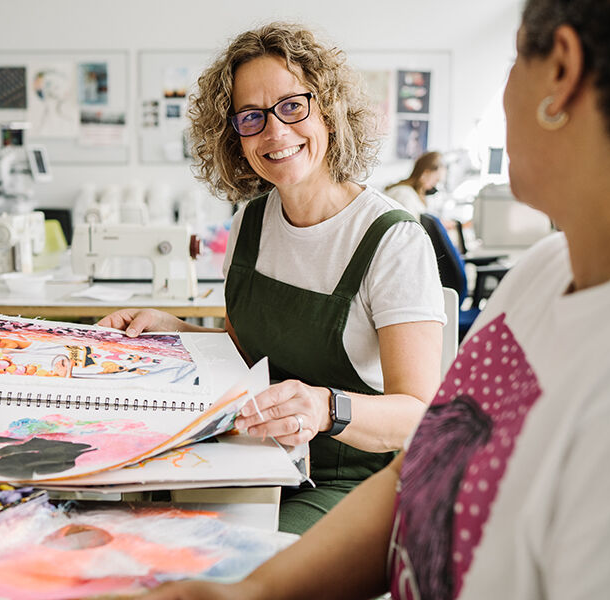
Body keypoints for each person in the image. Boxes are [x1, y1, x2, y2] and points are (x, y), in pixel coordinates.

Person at [142, 0, 610, 598]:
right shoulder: (546, 274)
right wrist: (252, 593)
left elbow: (409, 423)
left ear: (560, 69)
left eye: (511, 61)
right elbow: (424, 465)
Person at [98, 23, 446, 534]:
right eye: (252, 117)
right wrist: (172, 331)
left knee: (229, 570)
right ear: (234, 134)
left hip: (350, 481)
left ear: (327, 109)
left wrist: (327, 408)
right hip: (252, 457)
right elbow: (247, 359)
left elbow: (418, 414)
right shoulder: (251, 223)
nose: (275, 133)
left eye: (292, 106)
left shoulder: (392, 239)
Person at [385, 151, 447, 217]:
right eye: (436, 180)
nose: (435, 185)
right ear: (425, 173)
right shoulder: (404, 194)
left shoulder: (416, 194)